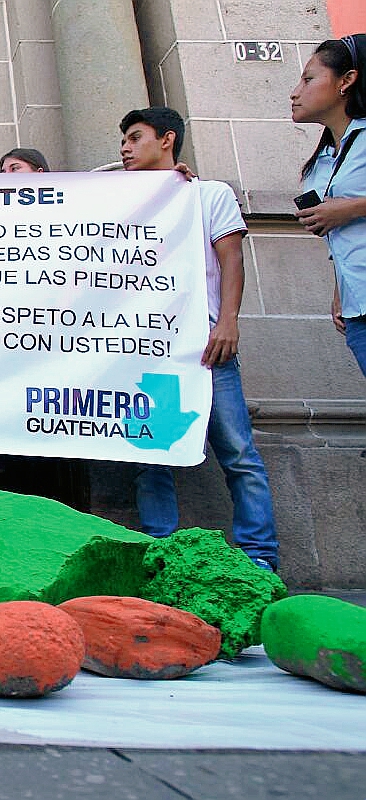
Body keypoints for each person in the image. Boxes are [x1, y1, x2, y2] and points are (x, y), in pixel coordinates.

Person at [120, 106, 279, 571]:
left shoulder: (210, 195)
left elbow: (232, 262)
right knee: (150, 457)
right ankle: (160, 556)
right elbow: (83, 189)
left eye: (135, 138)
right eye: (123, 142)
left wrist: (227, 321)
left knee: (238, 453)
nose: (125, 149)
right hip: (148, 351)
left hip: (207, 349)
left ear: (167, 139)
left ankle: (259, 559)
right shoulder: (127, 200)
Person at [292, 34, 366, 378]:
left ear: (347, 80)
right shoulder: (321, 159)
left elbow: (347, 214)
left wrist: (350, 208)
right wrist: (341, 289)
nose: (296, 92)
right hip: (357, 309)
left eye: (308, 79)